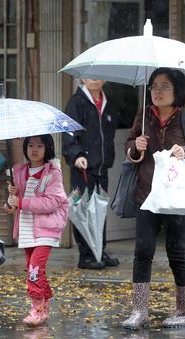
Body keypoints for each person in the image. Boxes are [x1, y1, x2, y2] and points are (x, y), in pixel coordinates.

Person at [122, 68, 185, 329]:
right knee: (143, 250)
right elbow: (130, 147)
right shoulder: (143, 116)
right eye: (153, 86)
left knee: (176, 251)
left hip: (181, 196)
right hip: (148, 195)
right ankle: (139, 311)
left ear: (178, 90)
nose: (157, 91)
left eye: (164, 86)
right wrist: (135, 147)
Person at [5, 135, 69, 326]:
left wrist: (22, 202)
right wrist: (11, 201)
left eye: (40, 145)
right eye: (31, 145)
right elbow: (14, 203)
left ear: (47, 148)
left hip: (46, 229)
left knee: (35, 269)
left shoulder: (53, 174)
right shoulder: (19, 173)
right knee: (33, 269)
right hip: (26, 229)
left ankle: (37, 309)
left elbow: (53, 201)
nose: (34, 149)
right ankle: (44, 301)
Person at [62, 78, 123, 269]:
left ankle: (99, 251)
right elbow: (68, 132)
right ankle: (86, 255)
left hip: (101, 166)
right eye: (89, 75)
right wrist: (76, 154)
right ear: (82, 78)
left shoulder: (108, 101)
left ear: (105, 78)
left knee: (99, 209)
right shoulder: (76, 102)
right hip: (83, 167)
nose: (94, 79)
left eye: (97, 75)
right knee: (83, 210)